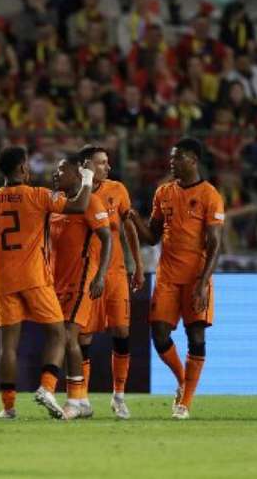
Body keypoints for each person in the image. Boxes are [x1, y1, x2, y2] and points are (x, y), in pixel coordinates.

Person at [0, 146, 93, 420]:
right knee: (57, 333)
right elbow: (79, 205)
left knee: (8, 346)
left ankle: (8, 407)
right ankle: (47, 387)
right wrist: (86, 178)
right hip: (35, 278)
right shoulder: (37, 195)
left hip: (5, 280)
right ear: (22, 169)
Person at [129, 138, 225, 420]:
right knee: (158, 333)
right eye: (171, 158)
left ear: (193, 160)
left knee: (195, 334)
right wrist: (134, 219)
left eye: (177, 157)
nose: (171, 162)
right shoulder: (163, 193)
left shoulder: (210, 195)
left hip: (196, 275)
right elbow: (153, 237)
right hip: (168, 275)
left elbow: (216, 244)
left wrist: (203, 282)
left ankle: (185, 402)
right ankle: (183, 381)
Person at [77, 145, 145, 420]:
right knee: (84, 336)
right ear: (86, 166)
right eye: (101, 163)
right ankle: (81, 398)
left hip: (115, 272)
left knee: (121, 331)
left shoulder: (118, 190)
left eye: (107, 162)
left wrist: (137, 265)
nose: (107, 167)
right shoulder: (77, 192)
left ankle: (118, 396)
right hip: (85, 275)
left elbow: (128, 226)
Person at [49, 155, 112, 420]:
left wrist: (100, 276)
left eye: (61, 169)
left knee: (68, 335)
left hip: (81, 280)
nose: (56, 173)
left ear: (77, 174)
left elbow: (107, 239)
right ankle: (82, 400)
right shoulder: (56, 203)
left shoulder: (91, 202)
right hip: (56, 282)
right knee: (61, 337)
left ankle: (75, 401)